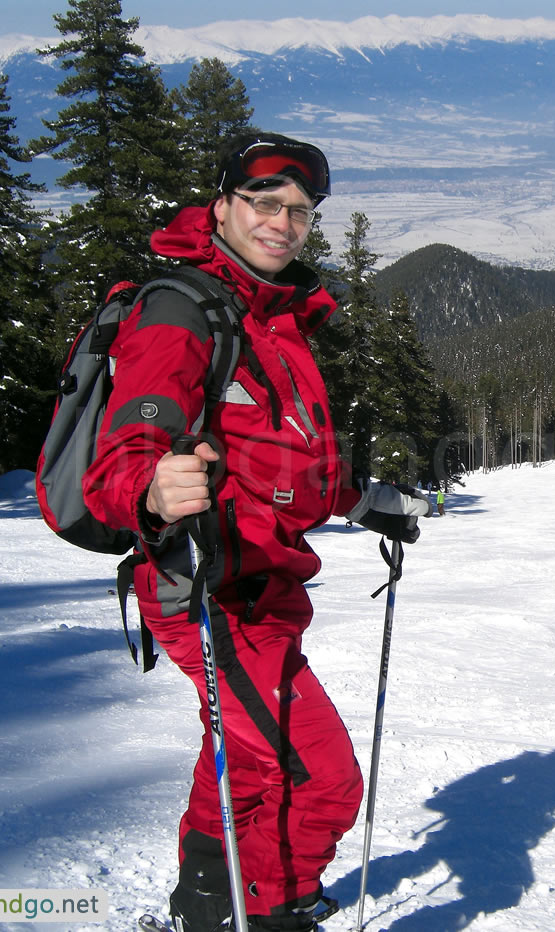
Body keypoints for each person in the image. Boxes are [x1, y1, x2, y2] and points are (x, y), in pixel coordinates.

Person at [82, 131, 430, 932]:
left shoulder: (272, 318)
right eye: (265, 204)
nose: (284, 223)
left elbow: (284, 453)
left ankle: (205, 908)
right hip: (206, 590)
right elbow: (123, 461)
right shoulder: (179, 313)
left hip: (263, 589)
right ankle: (271, 913)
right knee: (320, 779)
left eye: (301, 212)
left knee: (240, 757)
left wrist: (362, 498)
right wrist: (152, 487)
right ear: (223, 206)